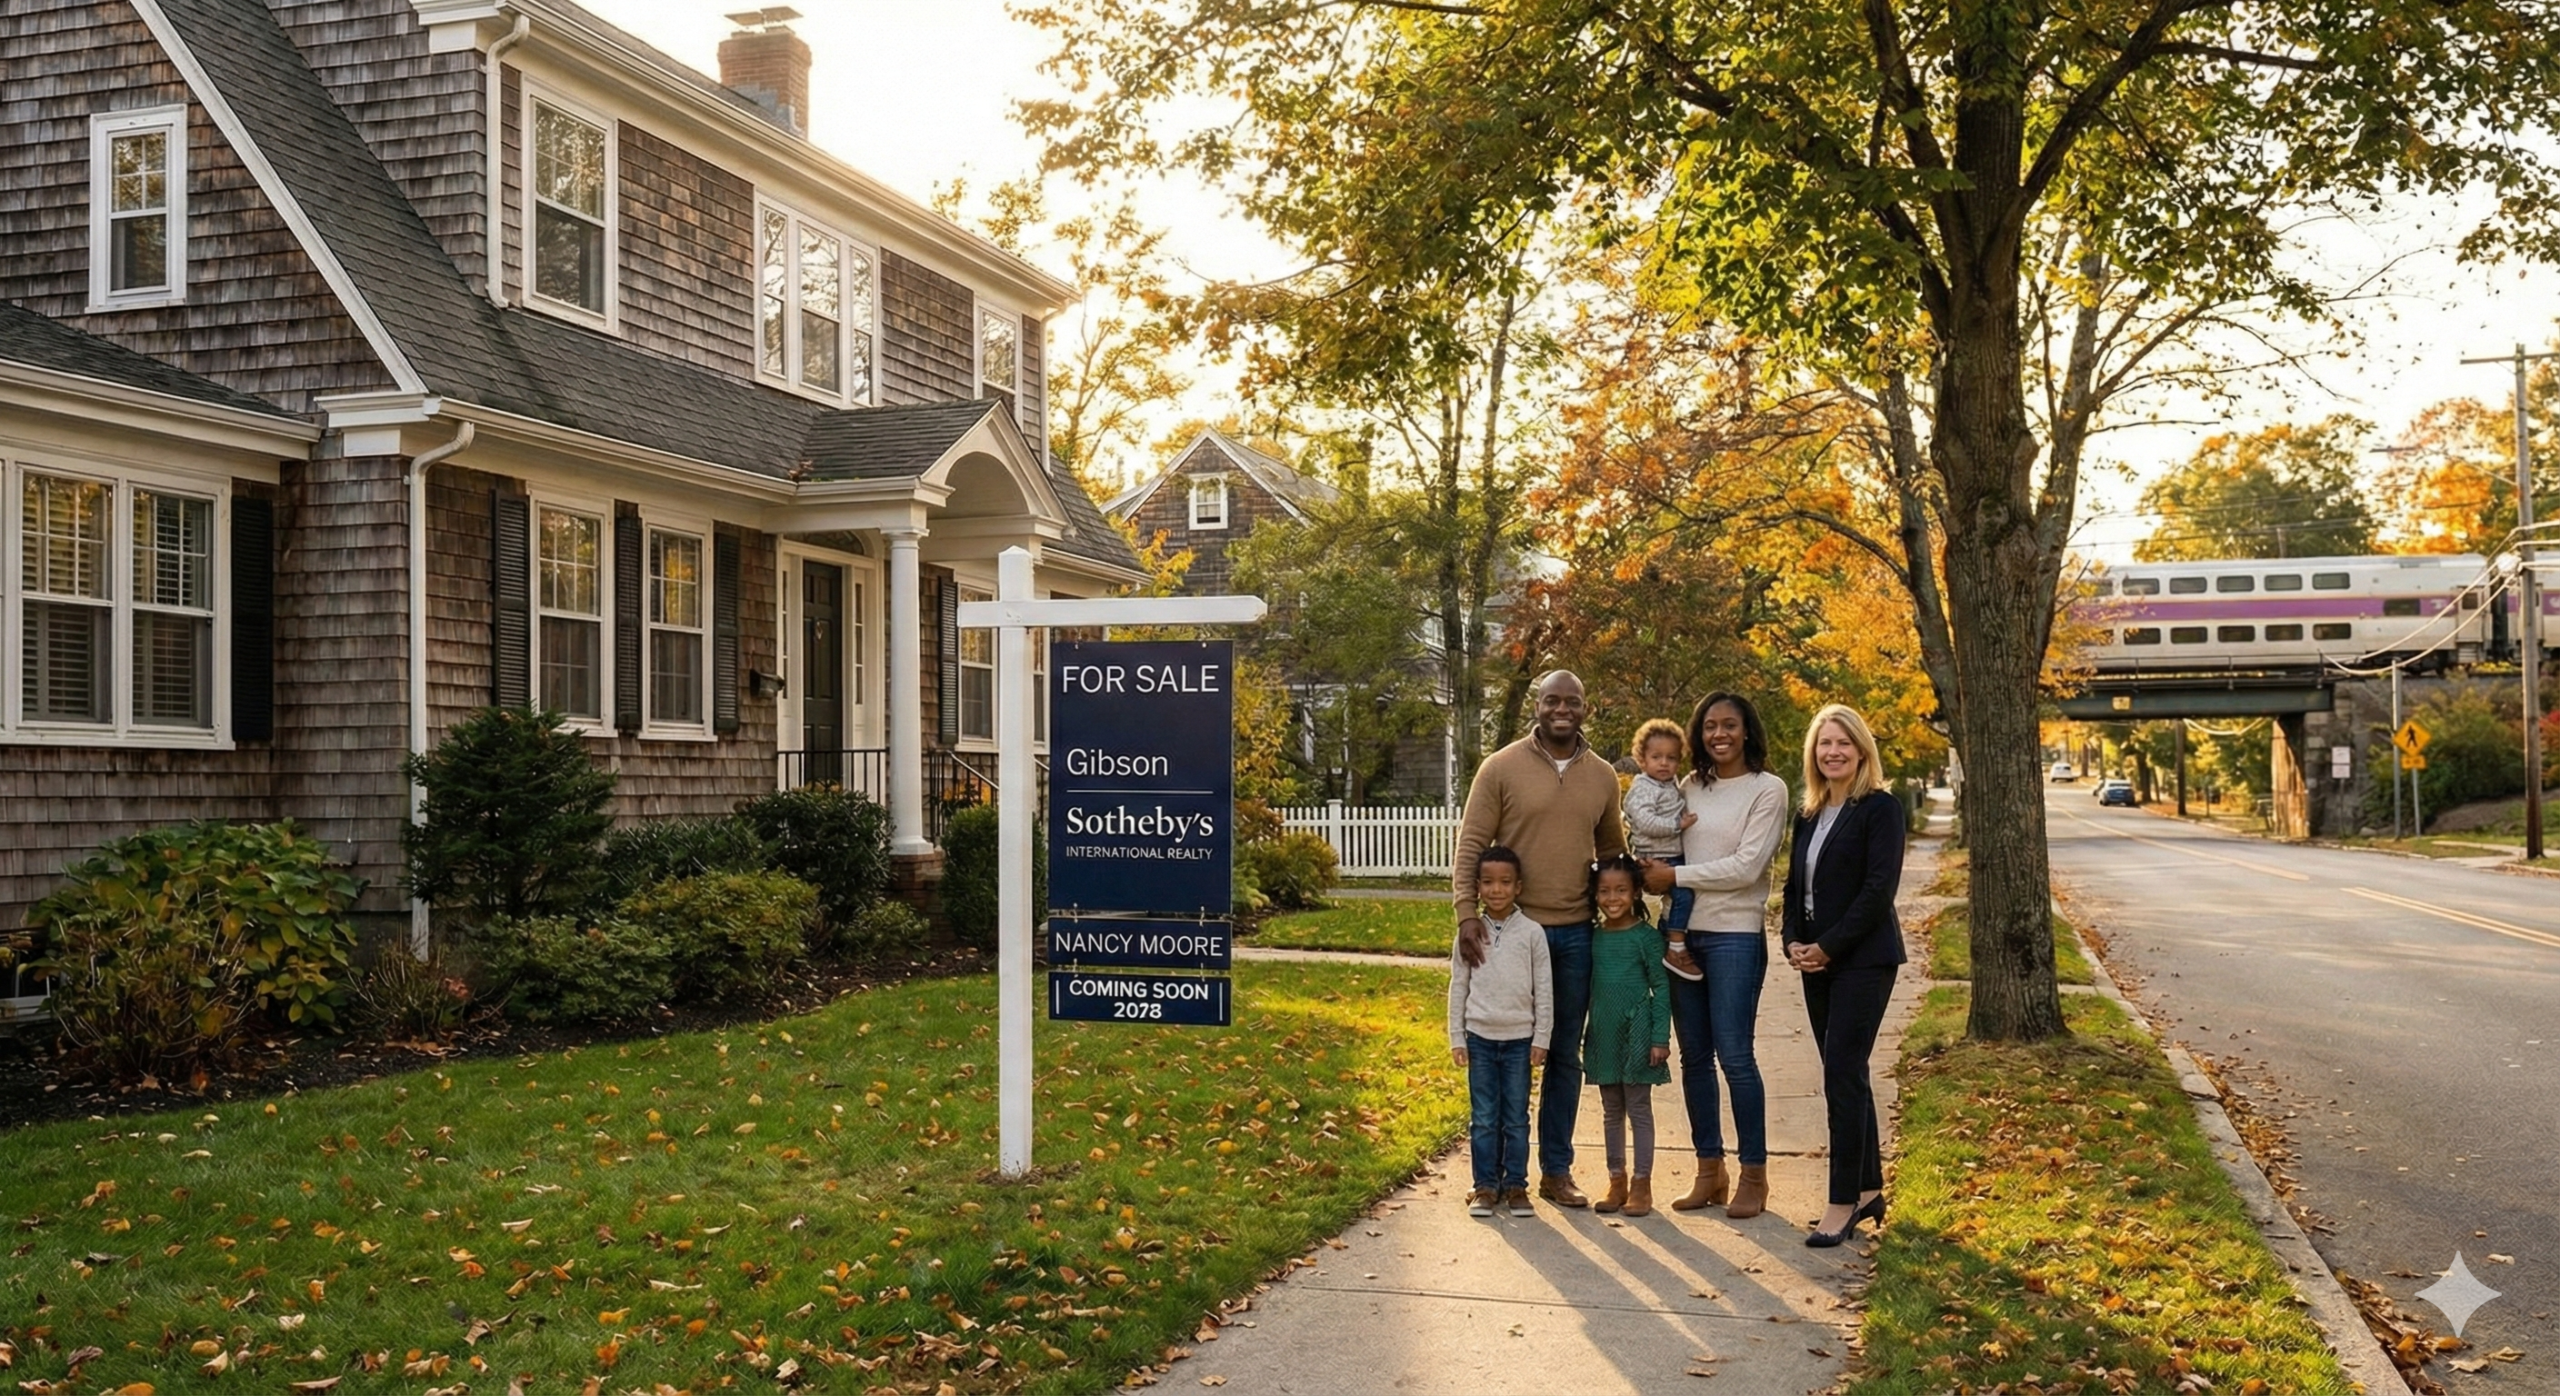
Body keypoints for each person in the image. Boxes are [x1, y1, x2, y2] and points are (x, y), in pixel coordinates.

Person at [1452, 670, 1628, 1208]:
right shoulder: (1499, 768)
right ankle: (1497, 1177)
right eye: (1552, 700)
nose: (1562, 709)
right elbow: (1472, 844)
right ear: (1537, 705)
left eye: (1572, 701)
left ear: (1585, 708)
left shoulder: (1602, 777)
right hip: (1511, 934)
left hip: (1575, 934)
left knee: (1562, 1054)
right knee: (1502, 1054)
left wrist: (1625, 915)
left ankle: (1556, 1171)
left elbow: (1612, 855)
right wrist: (1466, 912)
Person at [1644, 691, 1790, 1218]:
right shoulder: (1688, 787)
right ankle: (1710, 1170)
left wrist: (1675, 876)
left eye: (1729, 725)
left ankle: (1754, 1173)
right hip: (1680, 937)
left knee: (1735, 1057)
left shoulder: (1767, 790)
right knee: (1695, 1060)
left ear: (1747, 730)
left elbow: (1747, 867)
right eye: (1709, 726)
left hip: (1733, 937)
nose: (1718, 734)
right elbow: (1661, 841)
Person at [1781, 703, 1908, 1248]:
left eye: (1843, 743)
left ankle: (1840, 1203)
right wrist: (1792, 939)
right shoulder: (1808, 813)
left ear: (1861, 750)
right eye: (1824, 743)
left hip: (1864, 958)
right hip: (1815, 959)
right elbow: (1793, 887)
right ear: (1814, 752)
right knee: (1847, 1073)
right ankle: (1867, 1188)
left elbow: (1878, 891)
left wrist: (1829, 947)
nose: (1832, 751)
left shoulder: (1880, 809)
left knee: (1841, 1071)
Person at [1447, 846, 1552, 1219]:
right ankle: (1485, 1186)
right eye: (1488, 883)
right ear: (1477, 887)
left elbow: (1544, 988)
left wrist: (1542, 1037)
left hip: (1519, 1042)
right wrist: (1457, 1036)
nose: (1496, 890)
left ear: (1518, 887)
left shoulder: (1532, 933)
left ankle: (1517, 1186)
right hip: (1480, 1038)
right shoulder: (1470, 933)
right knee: (1485, 1116)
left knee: (1516, 1117)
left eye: (1505, 882)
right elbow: (1458, 985)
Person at [1584, 855, 1670, 1217]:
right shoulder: (1593, 937)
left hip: (1637, 1029)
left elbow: (1661, 987)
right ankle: (1616, 1180)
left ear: (1636, 892)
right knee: (1610, 1110)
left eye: (1621, 890)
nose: (1612, 898)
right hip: (1603, 1029)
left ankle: (1641, 1183)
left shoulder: (1646, 938)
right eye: (1604, 891)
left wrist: (1659, 1037)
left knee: (1638, 1108)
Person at [1620, 720, 1697, 980]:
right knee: (1684, 893)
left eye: (1671, 758)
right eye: (1656, 757)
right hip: (1654, 856)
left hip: (1671, 854)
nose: (1664, 763)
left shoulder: (1670, 785)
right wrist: (1677, 824)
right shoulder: (1643, 788)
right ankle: (1675, 946)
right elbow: (1645, 822)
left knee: (1680, 895)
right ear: (1642, 760)